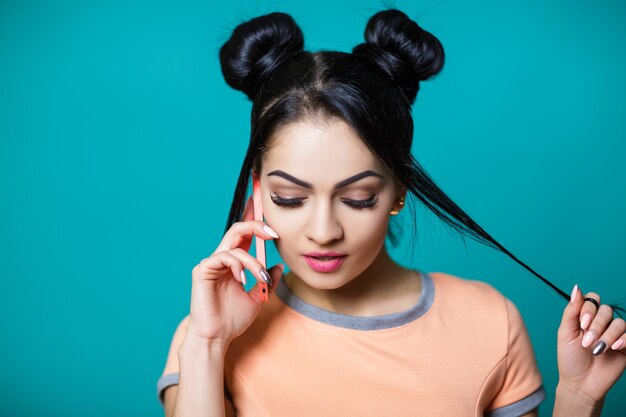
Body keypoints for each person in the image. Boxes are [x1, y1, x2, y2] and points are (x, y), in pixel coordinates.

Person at [156, 9, 626, 417]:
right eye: (290, 198)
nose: (323, 232)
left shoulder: (489, 320)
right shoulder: (209, 332)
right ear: (257, 192)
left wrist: (580, 399)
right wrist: (207, 344)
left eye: (358, 198)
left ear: (399, 190)